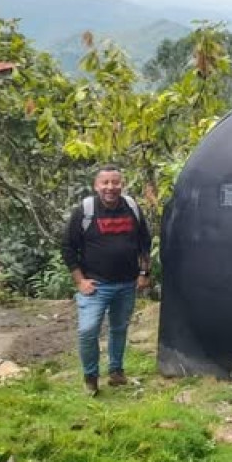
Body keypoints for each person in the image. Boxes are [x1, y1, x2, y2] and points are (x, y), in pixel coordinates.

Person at [61, 164, 151, 396]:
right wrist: (80, 281)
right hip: (95, 285)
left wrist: (144, 273)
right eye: (105, 183)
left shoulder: (131, 207)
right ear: (96, 186)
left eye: (115, 182)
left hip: (126, 284)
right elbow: (68, 248)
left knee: (119, 328)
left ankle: (116, 372)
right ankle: (91, 377)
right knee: (88, 330)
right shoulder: (85, 210)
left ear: (122, 184)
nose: (110, 187)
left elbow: (144, 242)